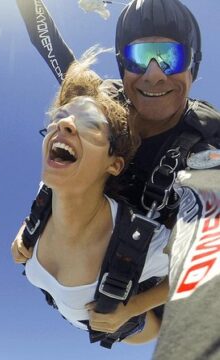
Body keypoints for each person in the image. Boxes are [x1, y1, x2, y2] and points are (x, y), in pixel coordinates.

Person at [13, 0, 220, 356]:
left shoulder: (210, 138)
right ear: (122, 66)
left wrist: (133, 308)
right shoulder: (101, 98)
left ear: (194, 65)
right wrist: (32, 226)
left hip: (147, 279)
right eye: (141, 57)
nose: (155, 74)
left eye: (171, 57)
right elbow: (44, 36)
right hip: (80, 251)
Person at [16, 50, 170, 346]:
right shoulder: (46, 195)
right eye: (60, 117)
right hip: (65, 309)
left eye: (89, 123)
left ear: (114, 163)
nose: (64, 124)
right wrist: (24, 232)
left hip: (128, 326)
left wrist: (133, 308)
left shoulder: (134, 238)